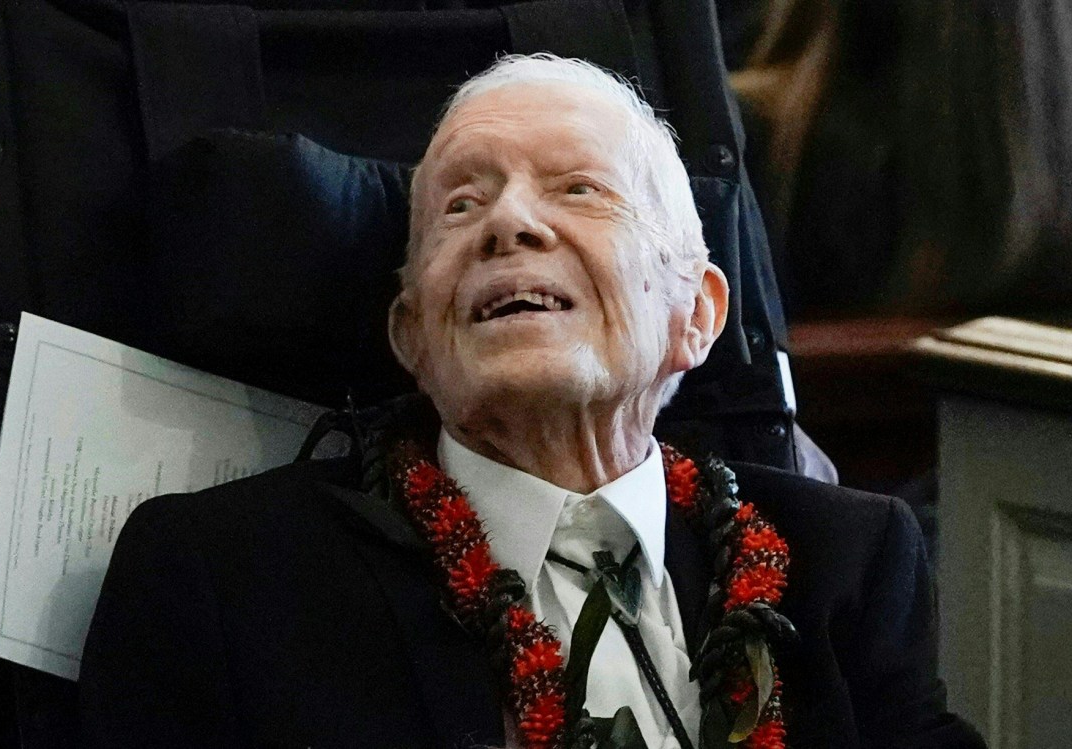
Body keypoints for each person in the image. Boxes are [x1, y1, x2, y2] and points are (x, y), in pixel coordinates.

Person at [79, 54, 983, 749]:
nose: (512, 223)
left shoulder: (848, 563)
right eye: (460, 207)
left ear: (697, 315)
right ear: (411, 336)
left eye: (577, 188)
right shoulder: (225, 579)